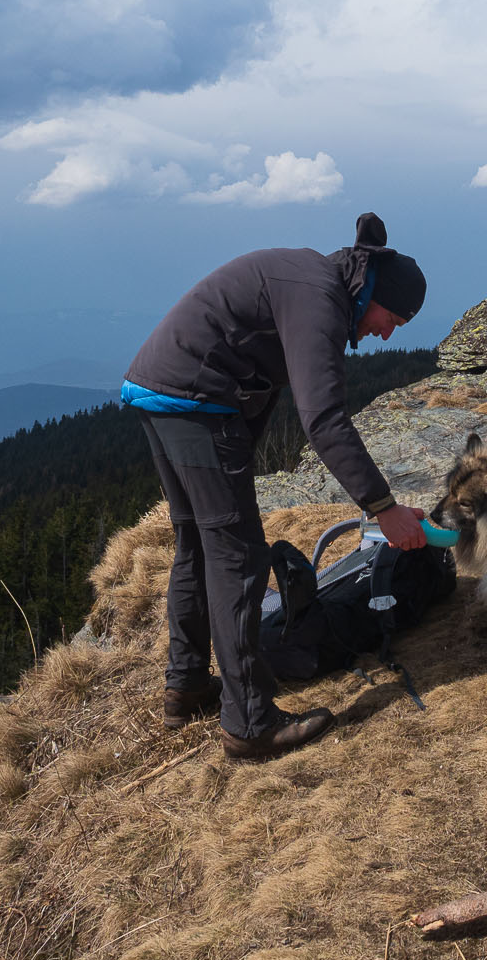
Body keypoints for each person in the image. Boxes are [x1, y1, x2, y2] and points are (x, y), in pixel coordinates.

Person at [122, 213, 430, 762]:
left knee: (197, 545)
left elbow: (258, 374)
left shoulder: (313, 279)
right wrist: (383, 509)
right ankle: (249, 723)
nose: (386, 332)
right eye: (394, 319)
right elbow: (325, 421)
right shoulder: (322, 300)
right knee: (238, 558)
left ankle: (187, 687)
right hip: (193, 400)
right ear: (376, 293)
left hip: (162, 389)